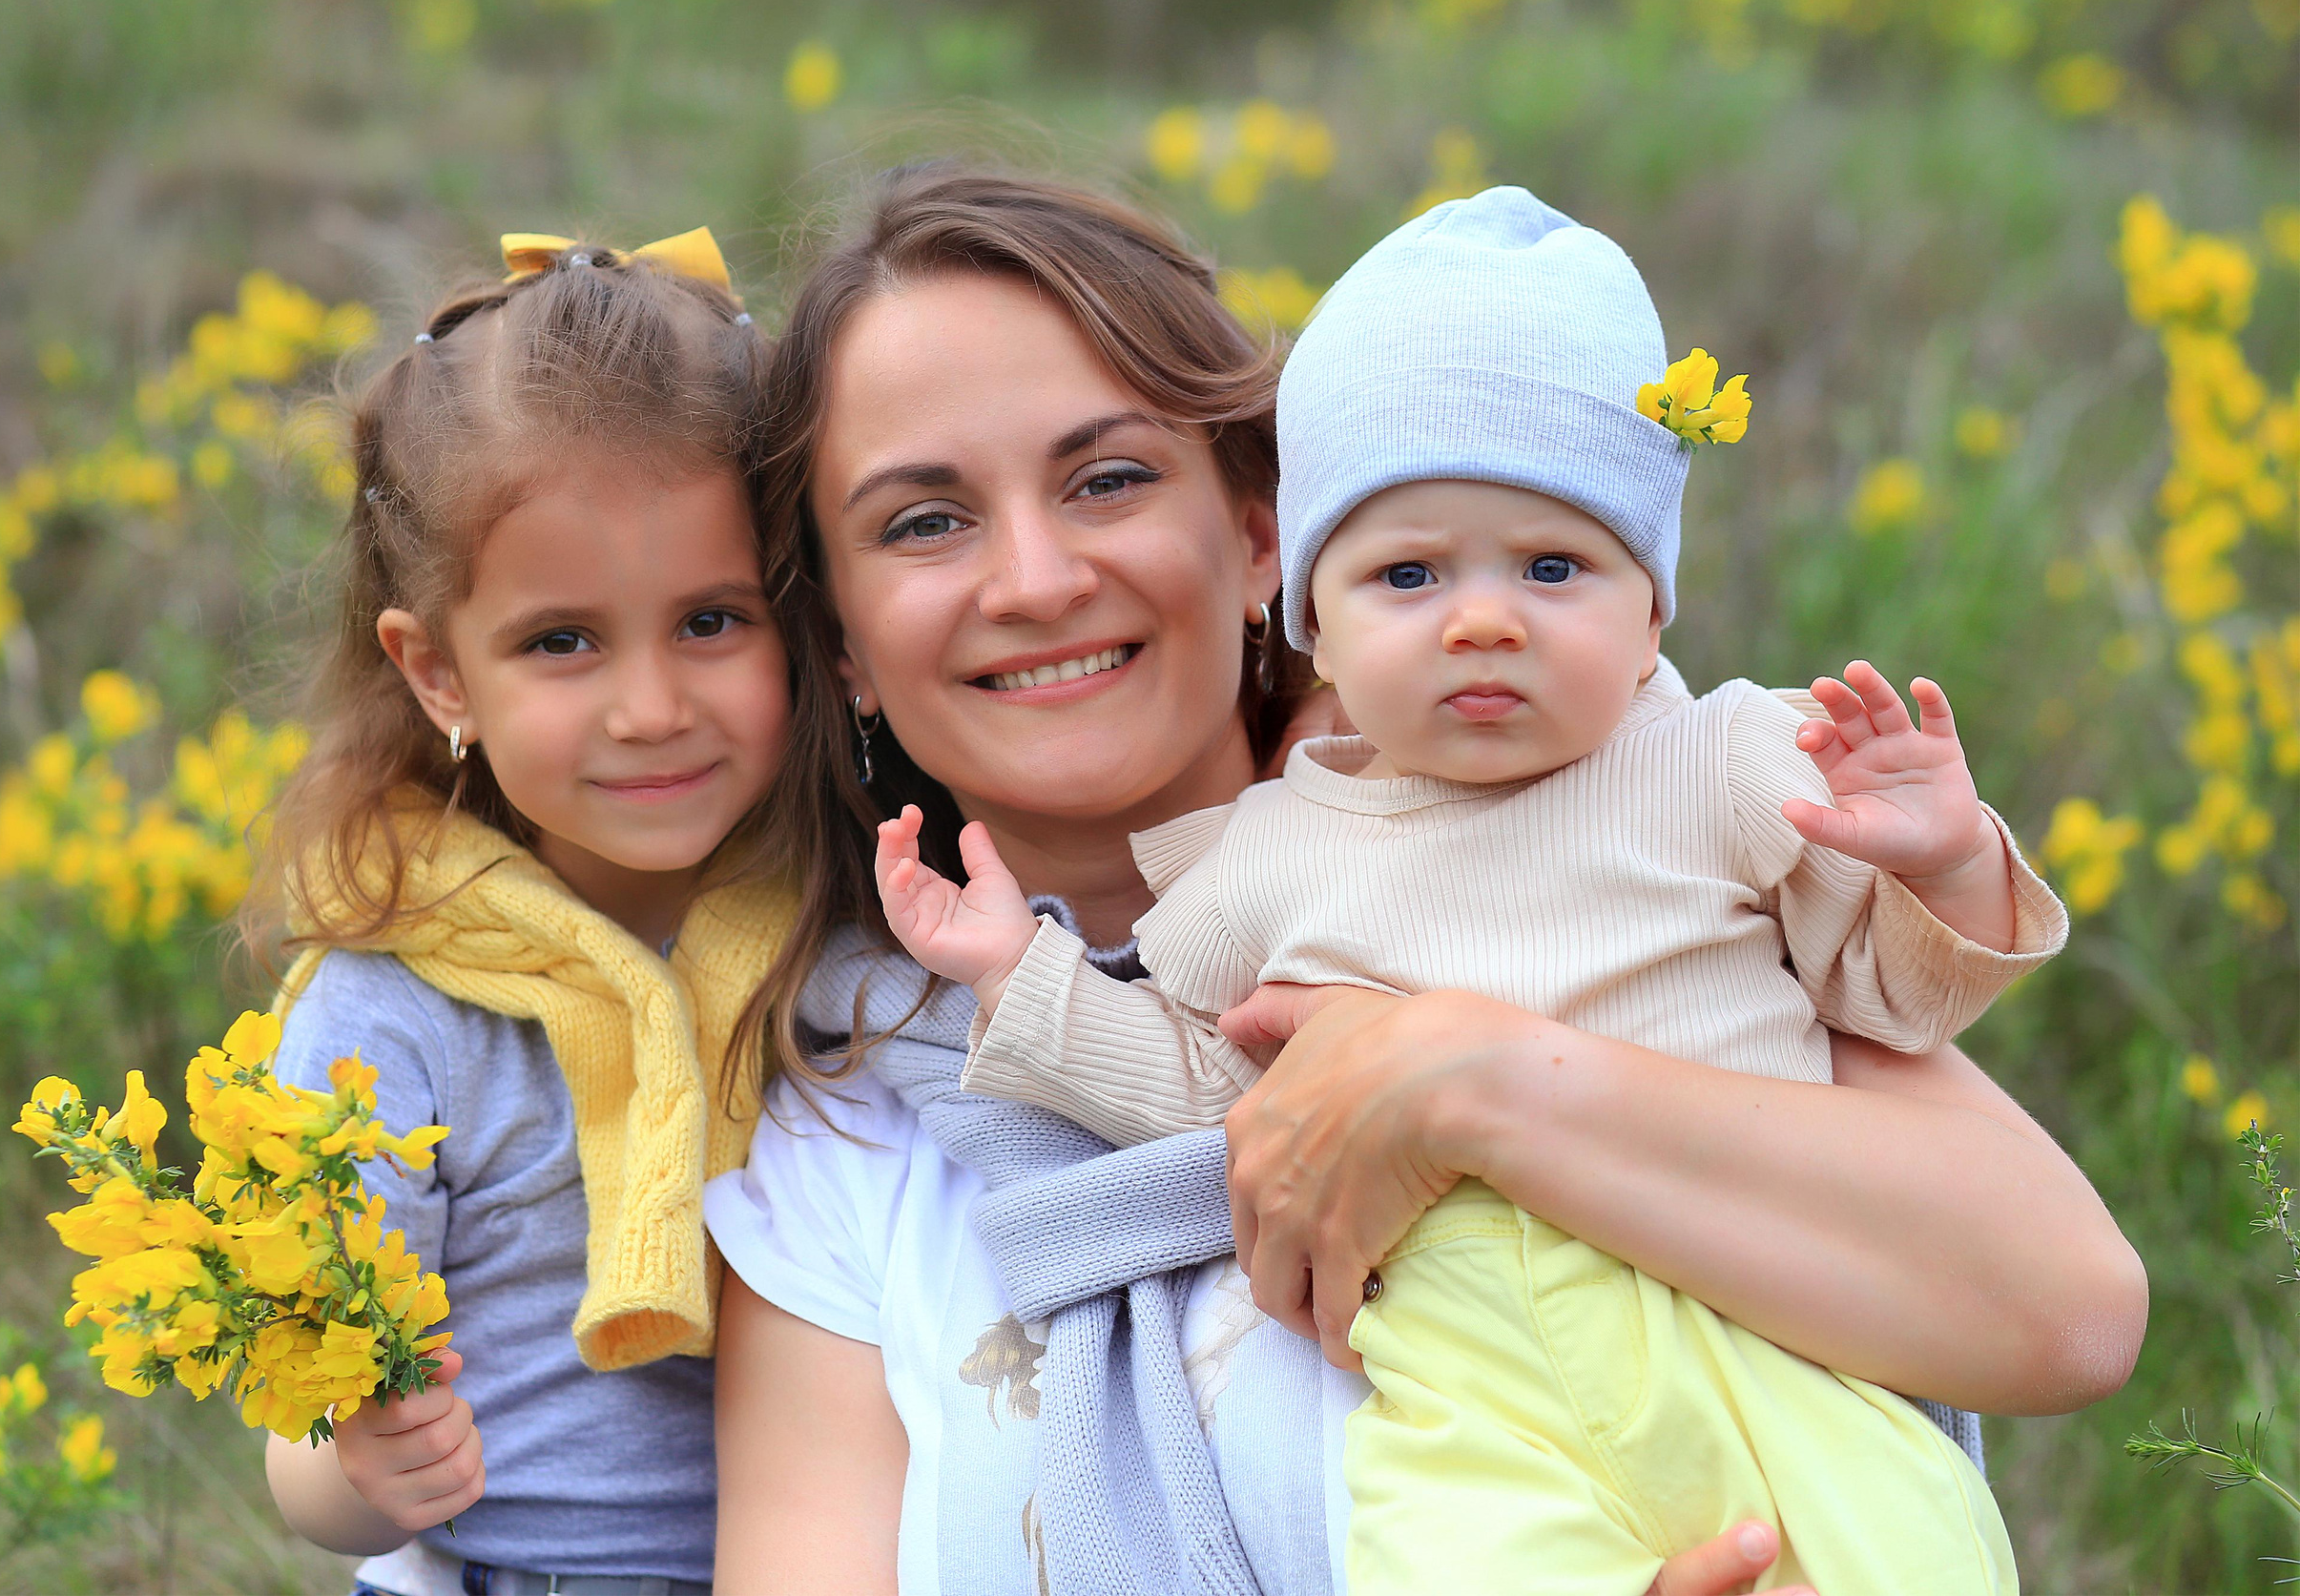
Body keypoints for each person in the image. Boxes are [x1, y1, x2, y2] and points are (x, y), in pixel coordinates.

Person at [706, 165, 2147, 1596]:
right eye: (924, 521)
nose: (1033, 578)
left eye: (1110, 479)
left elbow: (2067, 1314)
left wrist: (1466, 1077)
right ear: (838, 638)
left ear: (1263, 538)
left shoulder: (1617, 832)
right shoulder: (843, 1134)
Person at [251, 229, 801, 1596]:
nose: (652, 707)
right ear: (438, 673)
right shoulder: (391, 1003)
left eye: (713, 621)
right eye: (563, 642)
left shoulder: (852, 923)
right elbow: (300, 1417)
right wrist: (359, 1468)